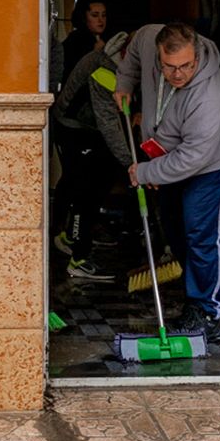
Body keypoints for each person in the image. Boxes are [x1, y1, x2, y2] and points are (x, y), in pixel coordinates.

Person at [115, 22, 220, 342]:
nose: (178, 74)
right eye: (170, 67)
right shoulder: (146, 39)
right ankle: (193, 294)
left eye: (186, 66)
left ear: (196, 56)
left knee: (201, 232)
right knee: (175, 227)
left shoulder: (209, 95)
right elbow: (132, 57)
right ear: (159, 56)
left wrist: (146, 172)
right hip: (167, 148)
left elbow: (193, 157)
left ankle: (205, 312)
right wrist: (125, 82)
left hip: (212, 162)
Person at [50, 31, 135, 282]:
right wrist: (132, 163)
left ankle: (71, 237)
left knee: (102, 179)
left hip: (90, 127)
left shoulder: (120, 63)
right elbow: (108, 123)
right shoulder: (103, 69)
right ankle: (79, 258)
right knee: (84, 189)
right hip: (73, 127)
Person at [61, 0, 109, 80]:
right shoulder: (75, 40)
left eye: (104, 15)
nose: (100, 20)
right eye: (94, 15)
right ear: (83, 17)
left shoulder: (105, 38)